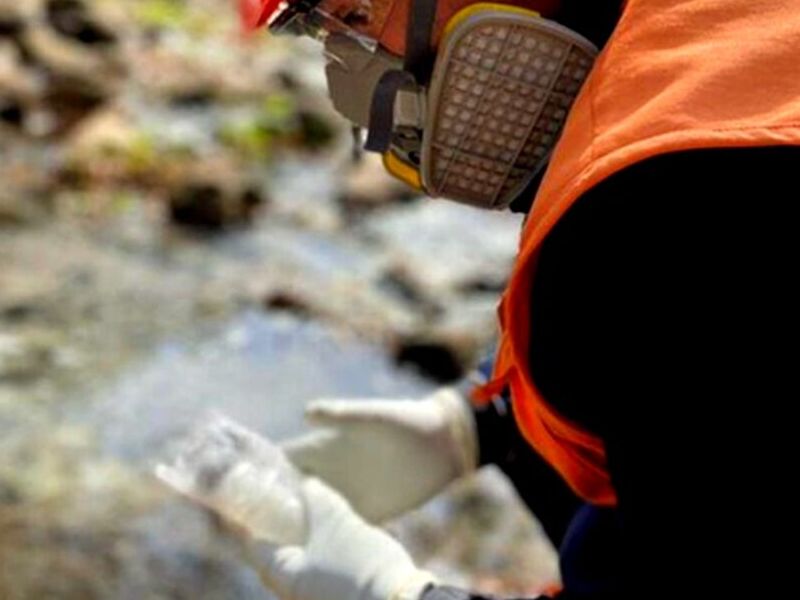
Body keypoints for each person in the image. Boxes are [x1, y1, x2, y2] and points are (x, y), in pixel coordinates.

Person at [237, 1, 800, 598]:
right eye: (316, 29)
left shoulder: (643, 225)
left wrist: (403, 593)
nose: (353, 80)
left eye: (356, 15)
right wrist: (482, 421)